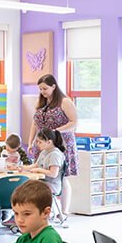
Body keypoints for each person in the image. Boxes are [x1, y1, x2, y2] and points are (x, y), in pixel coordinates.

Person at [29, 73, 78, 217]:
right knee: (41, 175)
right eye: (40, 89)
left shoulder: (65, 101)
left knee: (61, 176)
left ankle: (63, 211)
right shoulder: (41, 103)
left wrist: (55, 131)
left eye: (45, 88)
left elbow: (74, 122)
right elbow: (34, 123)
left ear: (54, 87)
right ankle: (45, 209)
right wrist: (32, 140)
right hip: (43, 142)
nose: (42, 92)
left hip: (61, 142)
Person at [31, 129, 66, 219]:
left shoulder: (55, 154)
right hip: (43, 182)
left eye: (40, 142)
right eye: (37, 142)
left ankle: (35, 215)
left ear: (49, 142)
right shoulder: (44, 152)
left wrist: (39, 170)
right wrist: (21, 168)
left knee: (28, 190)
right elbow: (35, 165)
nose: (37, 144)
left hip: (52, 185)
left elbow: (53, 173)